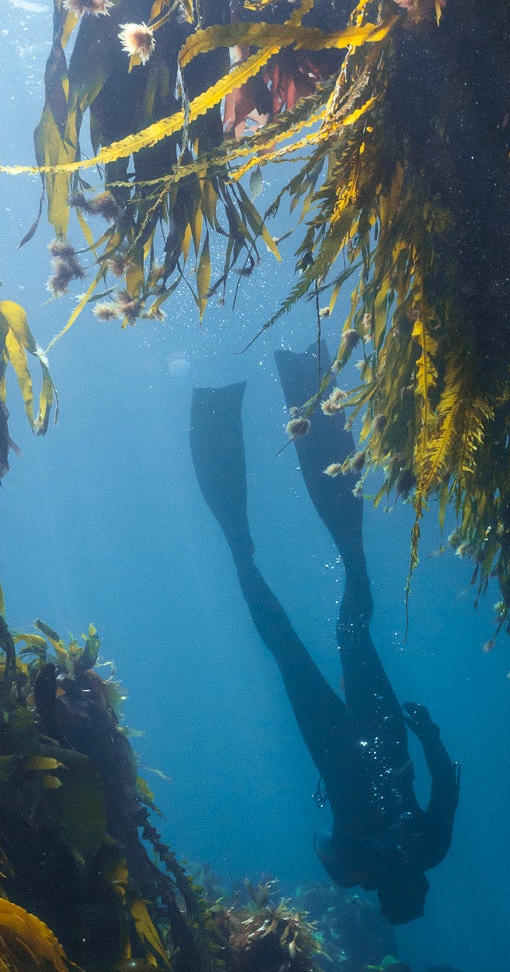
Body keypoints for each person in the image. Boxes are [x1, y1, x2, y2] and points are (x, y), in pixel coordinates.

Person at [190, 349, 458, 924]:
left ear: (409, 888)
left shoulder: (426, 852)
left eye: (417, 892)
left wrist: (428, 734)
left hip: (378, 733)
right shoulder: (355, 868)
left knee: (345, 624)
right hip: (340, 744)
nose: (424, 885)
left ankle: (295, 392)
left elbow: (445, 780)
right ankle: (237, 434)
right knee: (297, 643)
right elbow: (326, 837)